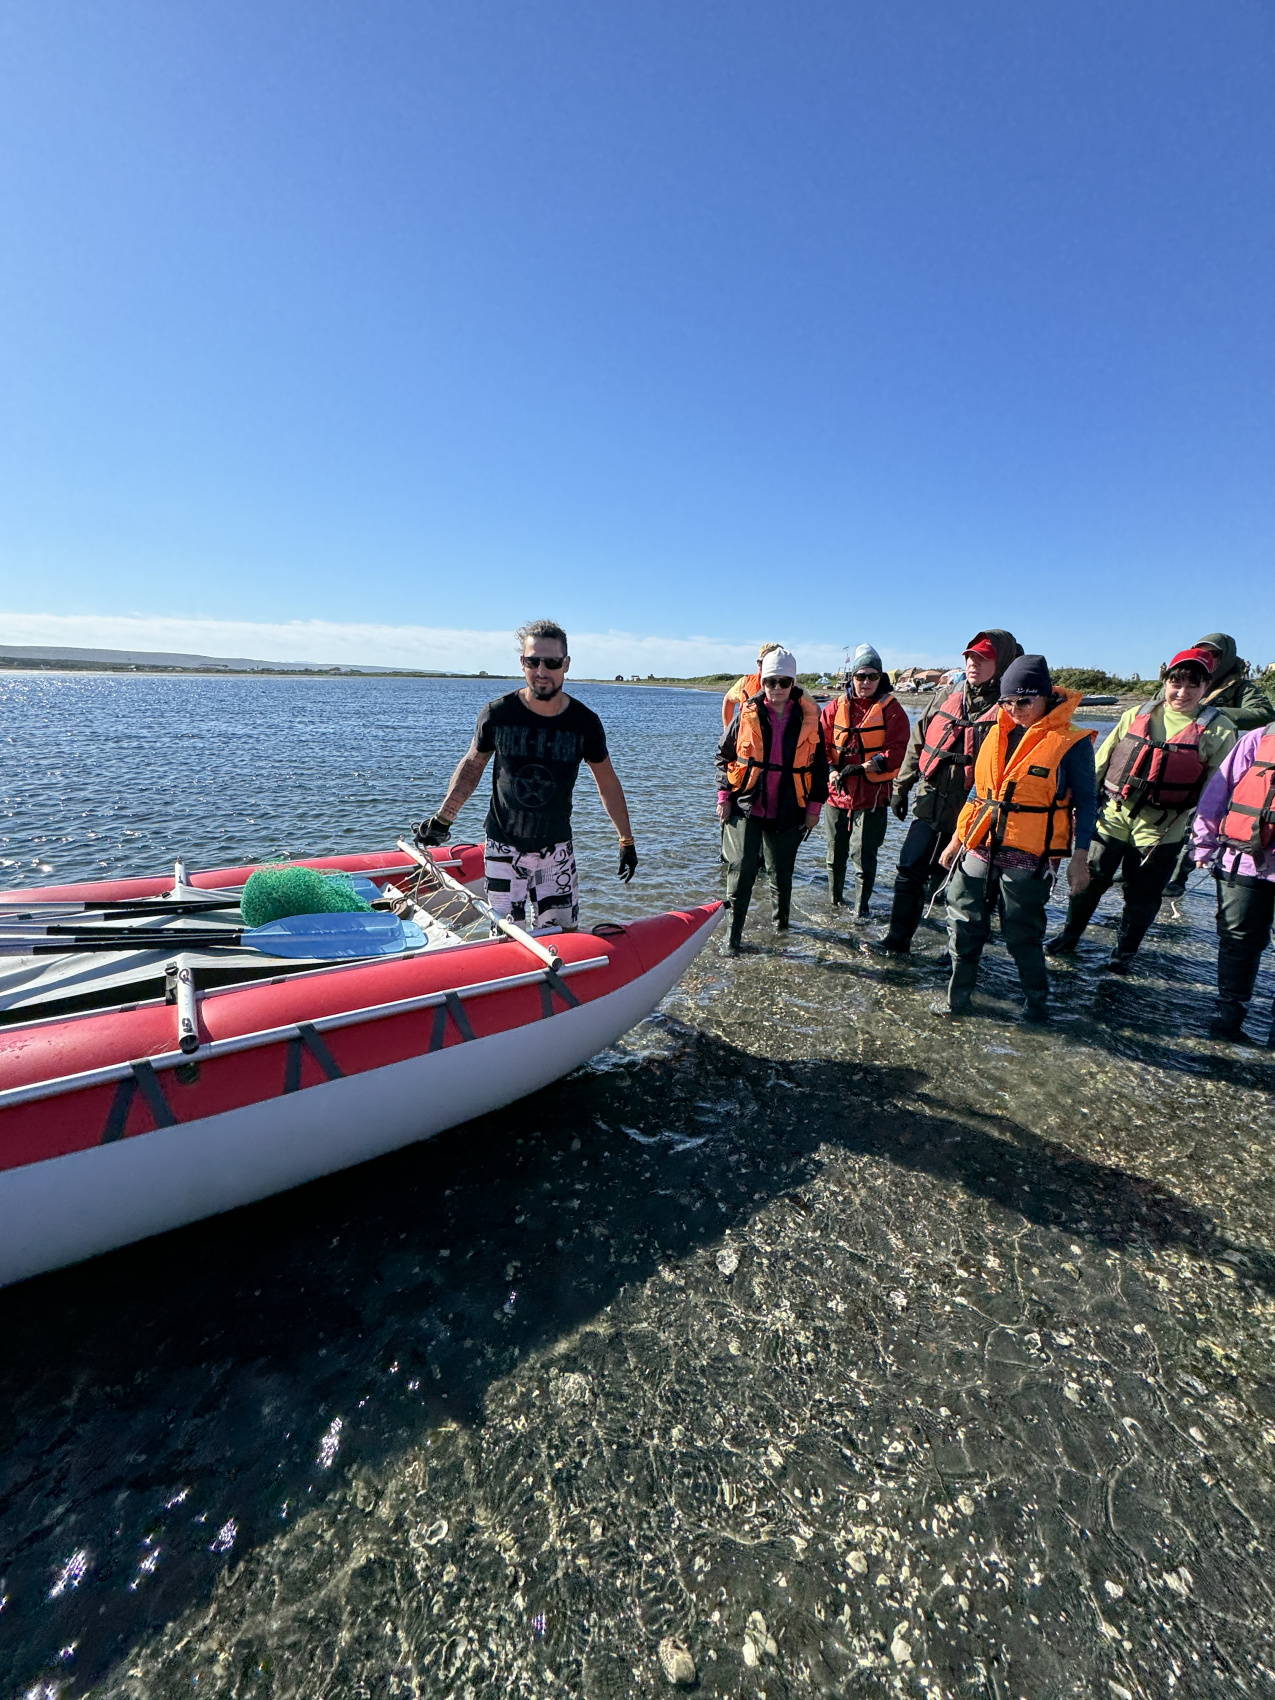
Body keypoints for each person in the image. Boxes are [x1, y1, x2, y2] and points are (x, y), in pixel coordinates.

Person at [414, 620, 637, 930]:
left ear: (566, 664)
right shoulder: (497, 714)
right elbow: (472, 767)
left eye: (552, 662)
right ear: (522, 663)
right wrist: (443, 820)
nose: (541, 670)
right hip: (503, 848)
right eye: (533, 661)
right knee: (507, 940)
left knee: (563, 936)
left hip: (556, 849)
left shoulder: (584, 723)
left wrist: (626, 840)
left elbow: (607, 783)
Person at [1045, 648, 1236, 971]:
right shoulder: (1136, 715)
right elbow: (1101, 763)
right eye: (1176, 683)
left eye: (1193, 685)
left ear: (1207, 686)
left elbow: (1215, 792)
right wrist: (1078, 808)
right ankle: (1069, 936)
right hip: (1113, 816)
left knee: (1142, 895)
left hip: (1163, 829)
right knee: (1088, 882)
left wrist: (1206, 837)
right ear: (1165, 682)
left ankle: (1124, 953)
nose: (1183, 692)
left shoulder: (1220, 730)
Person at [932, 656, 1096, 1022]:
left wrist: (1079, 857)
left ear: (1045, 696)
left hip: (1029, 856)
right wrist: (957, 839)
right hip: (979, 846)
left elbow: (1087, 803)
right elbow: (979, 792)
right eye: (1007, 701)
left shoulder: (1072, 743)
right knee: (963, 923)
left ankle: (1036, 1005)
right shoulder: (996, 732)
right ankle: (956, 1001)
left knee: (1022, 935)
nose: (1014, 709)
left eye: (1024, 701)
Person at [875, 629, 1022, 953]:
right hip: (931, 803)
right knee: (909, 869)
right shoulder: (946, 696)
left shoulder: (1012, 707)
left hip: (977, 814)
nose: (973, 663)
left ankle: (958, 955)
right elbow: (918, 739)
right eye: (969, 657)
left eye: (983, 658)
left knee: (969, 887)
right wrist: (901, 786)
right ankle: (896, 940)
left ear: (1002, 663)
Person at [717, 648, 828, 953]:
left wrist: (814, 808)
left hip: (789, 808)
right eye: (770, 681)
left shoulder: (809, 718)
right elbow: (723, 756)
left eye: (783, 682)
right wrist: (724, 796)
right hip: (746, 805)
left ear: (793, 683)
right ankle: (733, 939)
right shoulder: (746, 715)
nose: (776, 688)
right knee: (741, 872)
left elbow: (820, 768)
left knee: (781, 875)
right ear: (762, 681)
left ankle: (781, 935)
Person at [1161, 632, 1275, 899]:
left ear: (1228, 657)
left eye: (1215, 654)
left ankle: (1178, 877)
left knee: (1200, 817)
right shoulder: (1183, 676)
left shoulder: (1241, 687)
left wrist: (1211, 713)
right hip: (1175, 757)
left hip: (1219, 759)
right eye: (1203, 651)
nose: (1209, 658)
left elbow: (1264, 714)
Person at [1191, 722, 1275, 1043]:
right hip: (1244, 862)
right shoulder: (1259, 738)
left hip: (1248, 864)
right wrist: (1203, 843)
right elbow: (1219, 791)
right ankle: (1227, 1025)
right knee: (1237, 944)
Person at [819, 644, 910, 918]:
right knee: (834, 856)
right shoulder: (835, 707)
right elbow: (821, 745)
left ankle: (861, 911)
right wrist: (832, 770)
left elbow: (898, 749)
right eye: (861, 676)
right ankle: (834, 905)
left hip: (872, 795)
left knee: (863, 856)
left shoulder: (892, 710)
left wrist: (863, 767)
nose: (866, 682)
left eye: (872, 676)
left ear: (881, 678)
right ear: (853, 678)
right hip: (837, 794)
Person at [722, 642, 787, 731]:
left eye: (772, 663)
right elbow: (728, 699)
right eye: (762, 663)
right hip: (748, 737)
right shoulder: (745, 682)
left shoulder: (789, 687)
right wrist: (727, 729)